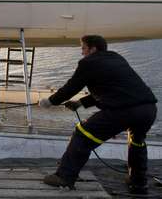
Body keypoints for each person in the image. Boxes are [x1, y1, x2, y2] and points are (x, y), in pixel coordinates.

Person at [39, 35, 157, 194]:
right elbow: (115, 87)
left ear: (93, 49)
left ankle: (64, 177)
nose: (82, 53)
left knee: (82, 134)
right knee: (137, 141)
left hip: (123, 110)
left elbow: (70, 88)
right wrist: (80, 103)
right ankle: (138, 182)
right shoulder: (116, 57)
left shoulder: (88, 63)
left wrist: (50, 102)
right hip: (148, 109)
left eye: (83, 48)